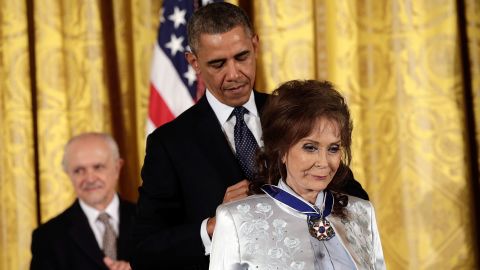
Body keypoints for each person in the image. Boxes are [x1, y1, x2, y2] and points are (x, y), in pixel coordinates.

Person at [131, 2, 368, 269]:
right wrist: (213, 225)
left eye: (241, 57)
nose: (233, 74)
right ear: (194, 62)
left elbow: (356, 203)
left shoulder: (294, 114)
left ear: (255, 45)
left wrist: (307, 195)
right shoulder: (169, 143)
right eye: (218, 64)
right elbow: (144, 251)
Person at [209, 80, 386, 269]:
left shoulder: (361, 213)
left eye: (333, 149)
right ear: (282, 150)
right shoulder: (235, 219)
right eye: (310, 147)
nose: (324, 162)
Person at [30, 132, 136, 270]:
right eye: (79, 170)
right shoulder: (47, 237)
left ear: (117, 168)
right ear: (68, 174)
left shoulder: (155, 222)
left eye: (98, 167)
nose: (90, 179)